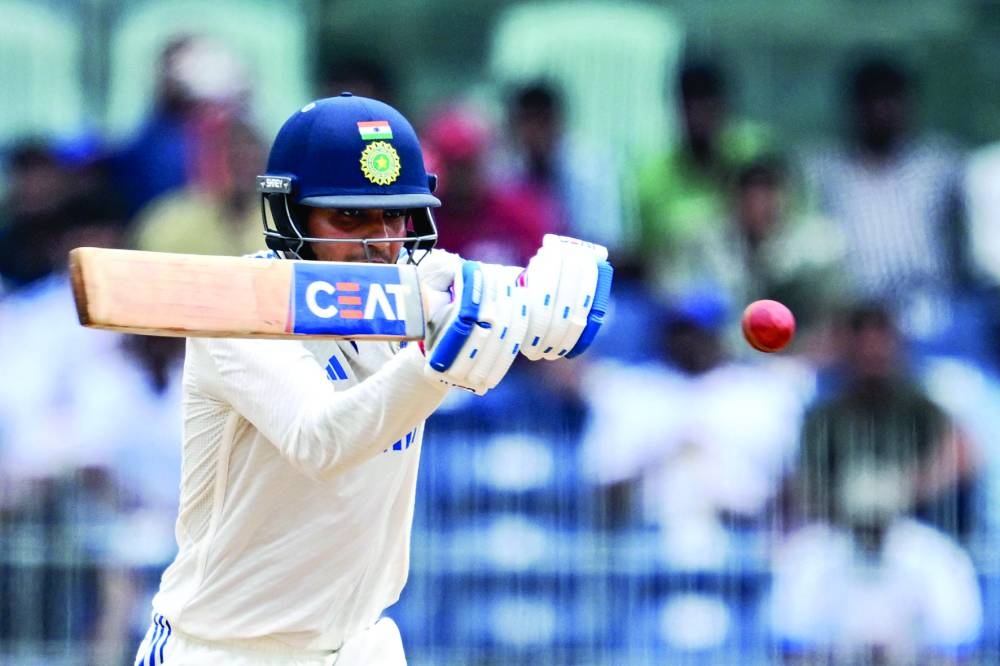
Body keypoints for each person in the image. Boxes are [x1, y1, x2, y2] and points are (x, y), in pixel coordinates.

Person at [131, 92, 612, 665]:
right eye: (349, 217)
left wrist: (542, 303)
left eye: (395, 215)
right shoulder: (240, 312)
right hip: (228, 648)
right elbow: (321, 440)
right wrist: (435, 363)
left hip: (360, 644)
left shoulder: (417, 285)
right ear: (291, 216)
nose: (380, 241)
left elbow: (511, 305)